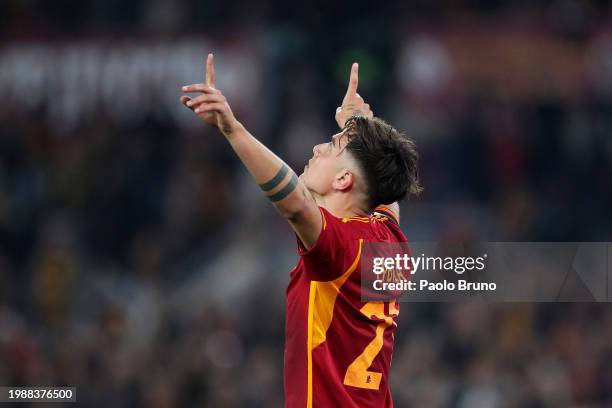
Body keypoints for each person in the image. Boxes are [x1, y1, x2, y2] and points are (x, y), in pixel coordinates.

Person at [180, 54, 421, 407]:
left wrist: (232, 128)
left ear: (343, 180)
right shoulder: (389, 237)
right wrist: (358, 124)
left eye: (333, 146)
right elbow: (383, 189)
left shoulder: (341, 249)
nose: (318, 147)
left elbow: (295, 205)